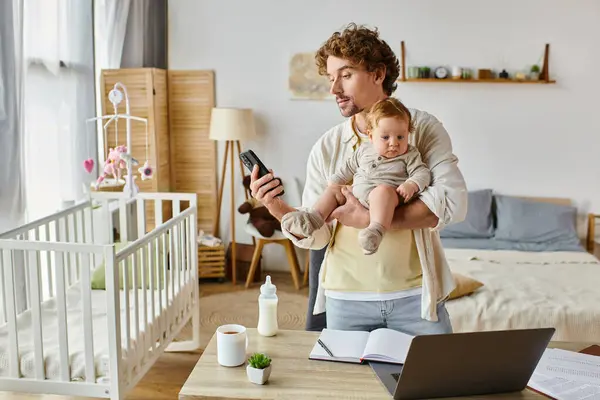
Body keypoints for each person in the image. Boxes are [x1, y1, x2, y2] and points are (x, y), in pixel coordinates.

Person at [249, 23, 467, 335]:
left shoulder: (422, 129)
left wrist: (366, 219)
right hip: (345, 299)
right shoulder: (328, 146)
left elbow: (451, 205)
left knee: (434, 383)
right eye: (330, 78)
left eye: (346, 75)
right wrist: (274, 205)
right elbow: (318, 235)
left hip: (416, 297)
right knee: (346, 386)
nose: (334, 89)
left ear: (378, 74)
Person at [280, 97, 431, 255]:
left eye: (401, 137)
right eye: (385, 137)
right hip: (357, 194)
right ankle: (313, 218)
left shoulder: (410, 154)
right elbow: (349, 166)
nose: (394, 143)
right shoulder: (364, 149)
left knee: (382, 192)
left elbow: (422, 172)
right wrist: (336, 180)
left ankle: (375, 230)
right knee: (334, 191)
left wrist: (412, 184)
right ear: (371, 135)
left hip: (387, 197)